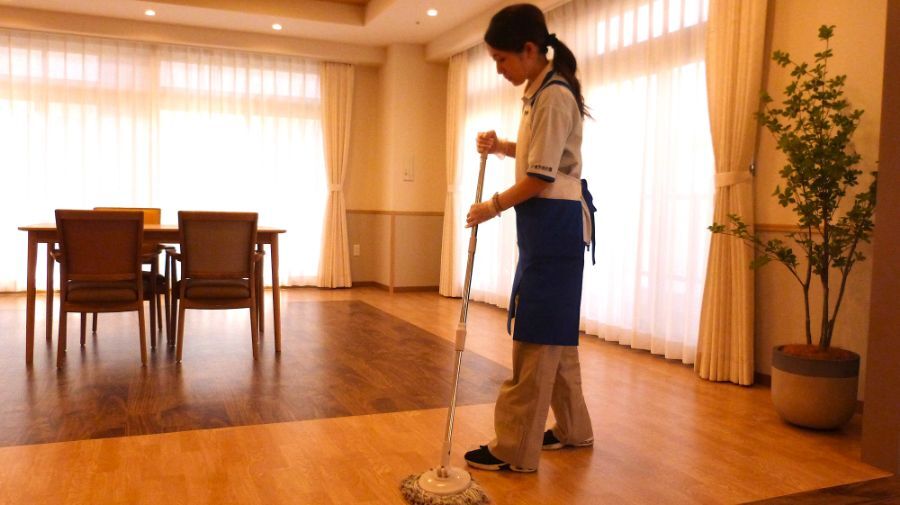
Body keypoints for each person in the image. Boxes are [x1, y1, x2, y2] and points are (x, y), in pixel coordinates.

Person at [463, 3, 595, 474]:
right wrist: (503, 147)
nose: (499, 68)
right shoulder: (540, 92)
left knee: (537, 334)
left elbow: (539, 177)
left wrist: (491, 206)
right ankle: (575, 429)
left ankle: (514, 449)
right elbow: (543, 154)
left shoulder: (553, 95)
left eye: (501, 59)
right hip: (549, 224)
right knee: (555, 335)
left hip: (554, 224)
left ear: (529, 49)